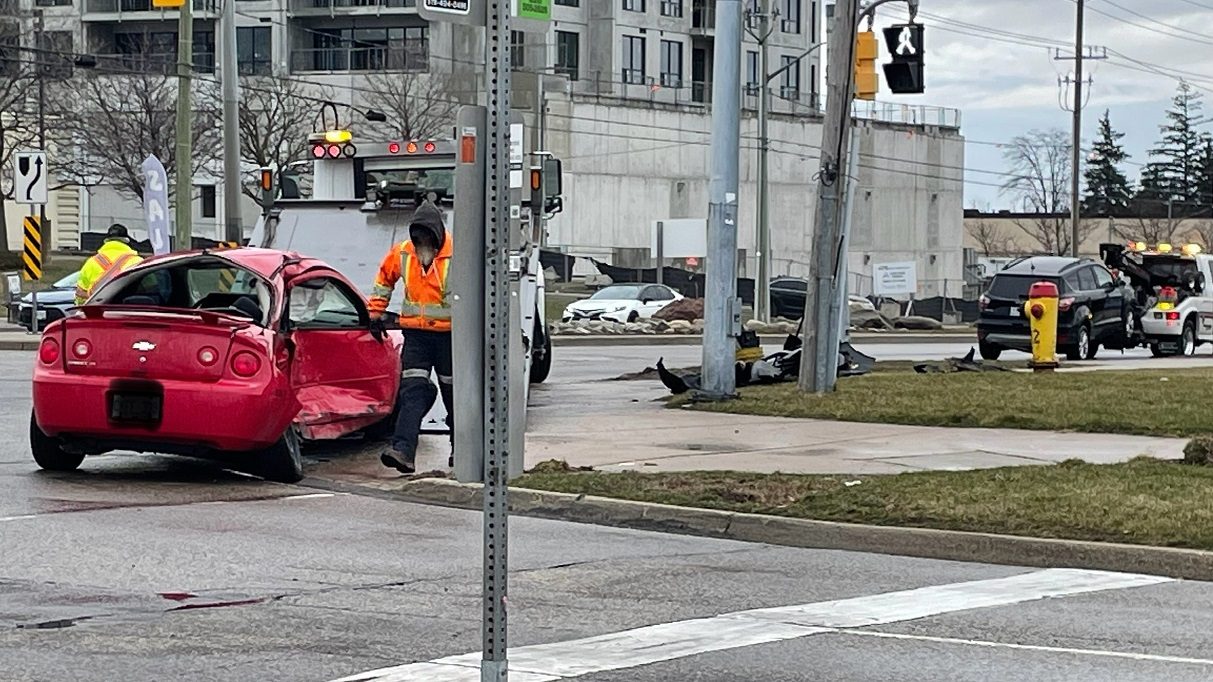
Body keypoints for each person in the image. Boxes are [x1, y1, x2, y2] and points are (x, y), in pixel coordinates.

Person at [369, 200, 454, 474]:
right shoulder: (404, 252)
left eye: (426, 237)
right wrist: (374, 314)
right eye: (417, 237)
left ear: (437, 234)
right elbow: (384, 280)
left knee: (455, 396)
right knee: (411, 392)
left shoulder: (458, 254)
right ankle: (403, 450)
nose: (421, 242)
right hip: (417, 335)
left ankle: (463, 451)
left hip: (451, 337)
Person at [75, 224, 142, 305]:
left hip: (98, 312)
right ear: (126, 241)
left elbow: (80, 295)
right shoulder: (137, 261)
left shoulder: (91, 262)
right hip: (127, 311)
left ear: (106, 241)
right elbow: (151, 288)